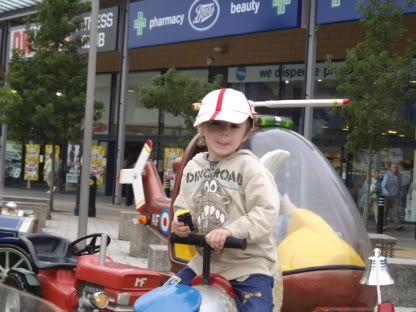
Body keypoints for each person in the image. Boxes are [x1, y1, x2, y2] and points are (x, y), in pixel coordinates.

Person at [171, 88, 280, 312]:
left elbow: (266, 211)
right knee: (165, 300)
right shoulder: (193, 166)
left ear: (247, 131)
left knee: (257, 309)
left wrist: (231, 231)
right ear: (201, 127)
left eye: (234, 126)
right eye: (216, 125)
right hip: (203, 263)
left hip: (247, 265)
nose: (225, 133)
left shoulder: (250, 168)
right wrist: (180, 223)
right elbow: (183, 205)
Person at [381, 163, 403, 230]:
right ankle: (384, 225)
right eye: (393, 167)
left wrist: (398, 194)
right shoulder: (387, 175)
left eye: (396, 167)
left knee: (395, 211)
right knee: (385, 211)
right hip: (387, 196)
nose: (395, 169)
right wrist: (387, 193)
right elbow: (383, 186)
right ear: (391, 168)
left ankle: (398, 225)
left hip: (396, 197)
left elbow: (399, 186)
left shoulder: (399, 176)